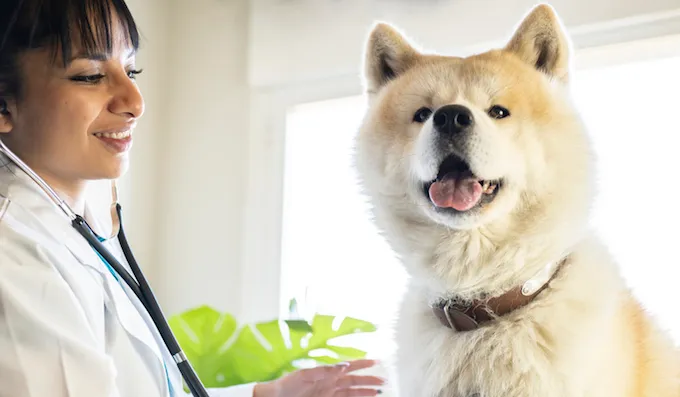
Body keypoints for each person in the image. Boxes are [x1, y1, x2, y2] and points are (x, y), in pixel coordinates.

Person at [0, 0, 385, 396]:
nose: (134, 101)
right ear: (3, 103)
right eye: (90, 75)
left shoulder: (69, 233)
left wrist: (265, 396)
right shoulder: (15, 255)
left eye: (131, 70)